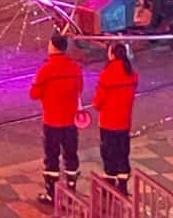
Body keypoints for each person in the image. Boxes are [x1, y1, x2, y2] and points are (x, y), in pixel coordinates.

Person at [30, 30, 83, 202]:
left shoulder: (46, 70)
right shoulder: (74, 67)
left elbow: (34, 93)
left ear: (53, 47)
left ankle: (51, 193)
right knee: (71, 154)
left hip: (52, 120)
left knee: (52, 156)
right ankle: (71, 190)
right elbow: (79, 88)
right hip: (70, 120)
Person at [92, 42, 137, 193]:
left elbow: (98, 102)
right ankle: (123, 185)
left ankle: (109, 187)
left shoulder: (107, 74)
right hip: (124, 122)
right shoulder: (131, 74)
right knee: (123, 154)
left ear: (111, 54)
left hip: (108, 123)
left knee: (109, 154)